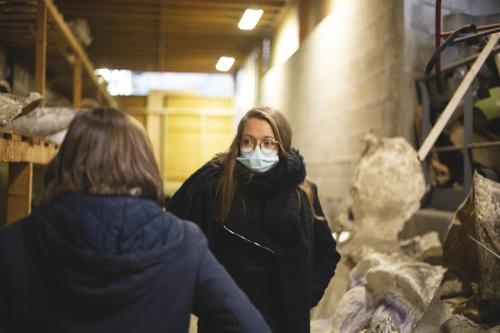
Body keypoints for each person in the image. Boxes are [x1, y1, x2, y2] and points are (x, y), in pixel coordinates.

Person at [0, 108, 271, 333]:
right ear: (143, 162)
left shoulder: (15, 241)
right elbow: (249, 327)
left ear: (66, 160)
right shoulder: (184, 242)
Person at [168, 106, 341, 333]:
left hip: (284, 323)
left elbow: (327, 253)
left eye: (268, 143)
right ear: (238, 144)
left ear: (282, 147)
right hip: (225, 323)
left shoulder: (303, 194)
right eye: (248, 141)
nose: (257, 150)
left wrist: (303, 296)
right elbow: (181, 246)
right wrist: (205, 303)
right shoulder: (216, 189)